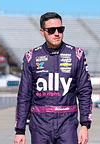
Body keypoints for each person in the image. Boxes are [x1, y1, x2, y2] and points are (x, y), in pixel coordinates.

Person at [14, 12, 93, 144]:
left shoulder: (77, 55)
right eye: (51, 30)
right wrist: (20, 130)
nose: (57, 33)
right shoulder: (31, 57)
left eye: (60, 29)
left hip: (67, 123)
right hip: (40, 124)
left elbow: (85, 91)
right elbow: (24, 95)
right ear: (42, 32)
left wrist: (85, 125)